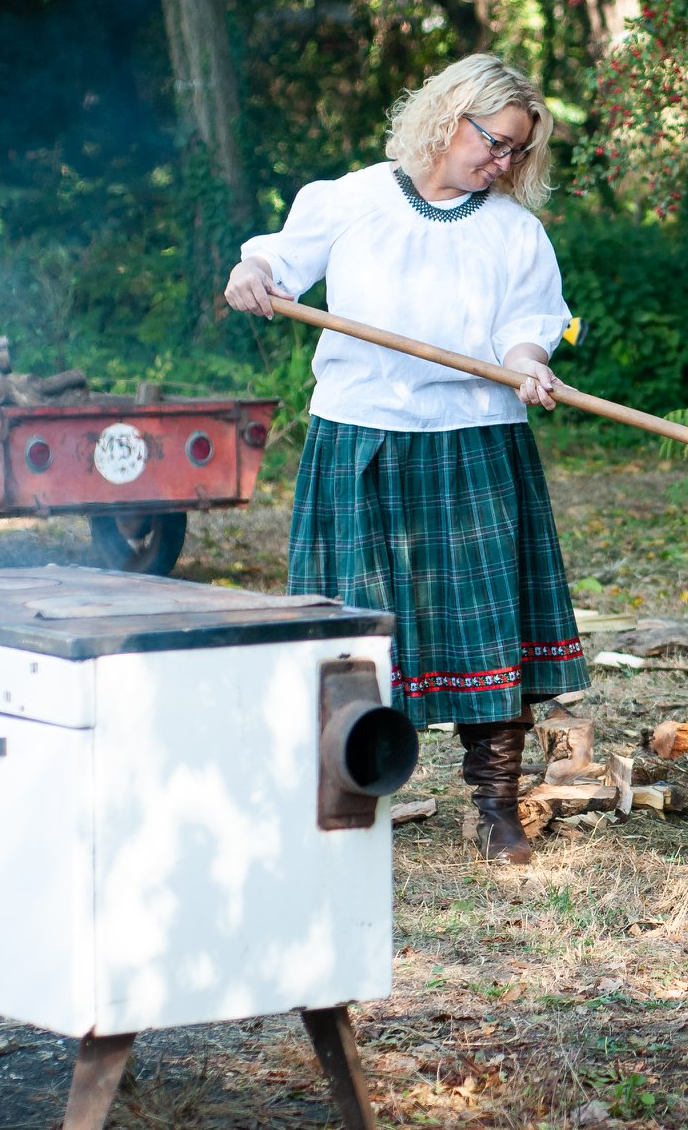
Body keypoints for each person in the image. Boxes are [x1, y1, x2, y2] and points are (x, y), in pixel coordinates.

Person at [224, 53, 588, 866]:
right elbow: (276, 263)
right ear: (450, 117)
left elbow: (526, 326)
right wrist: (251, 273)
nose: (502, 162)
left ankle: (494, 808)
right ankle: (342, 802)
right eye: (494, 142)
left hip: (475, 437)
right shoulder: (350, 200)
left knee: (487, 620)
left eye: (517, 151)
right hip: (361, 433)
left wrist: (528, 362)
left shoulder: (514, 231)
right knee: (350, 627)